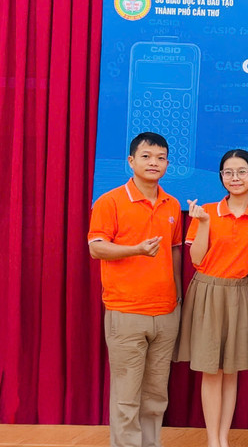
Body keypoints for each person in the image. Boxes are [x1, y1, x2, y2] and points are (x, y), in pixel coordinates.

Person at [87, 132, 182, 447]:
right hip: (126, 311)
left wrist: (177, 296)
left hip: (166, 312)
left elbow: (175, 252)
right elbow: (96, 248)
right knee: (126, 397)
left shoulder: (172, 204)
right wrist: (136, 250)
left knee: (155, 397)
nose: (154, 163)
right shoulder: (110, 201)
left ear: (167, 163)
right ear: (131, 161)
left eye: (160, 158)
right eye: (146, 156)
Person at [175, 149, 248, 447]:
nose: (235, 178)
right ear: (221, 177)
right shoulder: (207, 211)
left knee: (231, 372)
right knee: (211, 371)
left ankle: (223, 439)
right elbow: (196, 258)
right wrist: (203, 223)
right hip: (208, 291)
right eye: (228, 172)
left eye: (242, 172)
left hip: (240, 294)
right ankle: (212, 441)